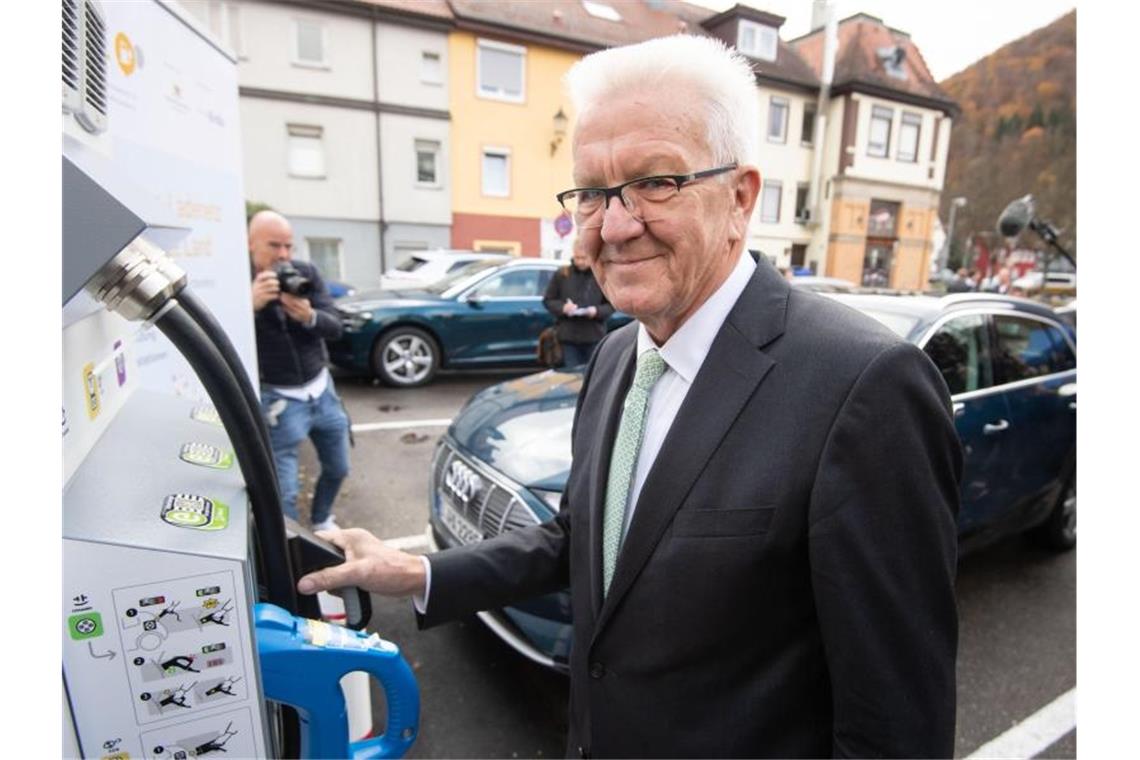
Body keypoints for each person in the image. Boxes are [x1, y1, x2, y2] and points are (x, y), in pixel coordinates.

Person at [298, 35, 960, 758]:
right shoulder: (618, 356)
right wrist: (419, 572)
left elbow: (896, 729)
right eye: (591, 192)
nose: (613, 226)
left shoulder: (866, 387)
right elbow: (582, 540)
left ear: (741, 198)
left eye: (655, 182)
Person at [249, 210, 349, 532]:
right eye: (274, 246)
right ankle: (292, 551)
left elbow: (335, 327)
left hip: (322, 390)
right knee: (285, 492)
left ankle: (321, 519)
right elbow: (222, 338)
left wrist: (309, 317)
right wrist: (249, 306)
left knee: (338, 466)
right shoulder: (238, 283)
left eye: (288, 246)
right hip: (279, 398)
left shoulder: (304, 273)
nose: (283, 255)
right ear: (250, 245)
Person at [543, 237, 614, 367]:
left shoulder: (600, 275)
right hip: (568, 337)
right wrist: (563, 308)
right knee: (573, 377)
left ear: (591, 255)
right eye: (577, 258)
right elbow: (548, 300)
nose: (580, 262)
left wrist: (596, 311)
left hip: (594, 336)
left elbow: (612, 305)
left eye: (584, 258)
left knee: (593, 376)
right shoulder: (562, 274)